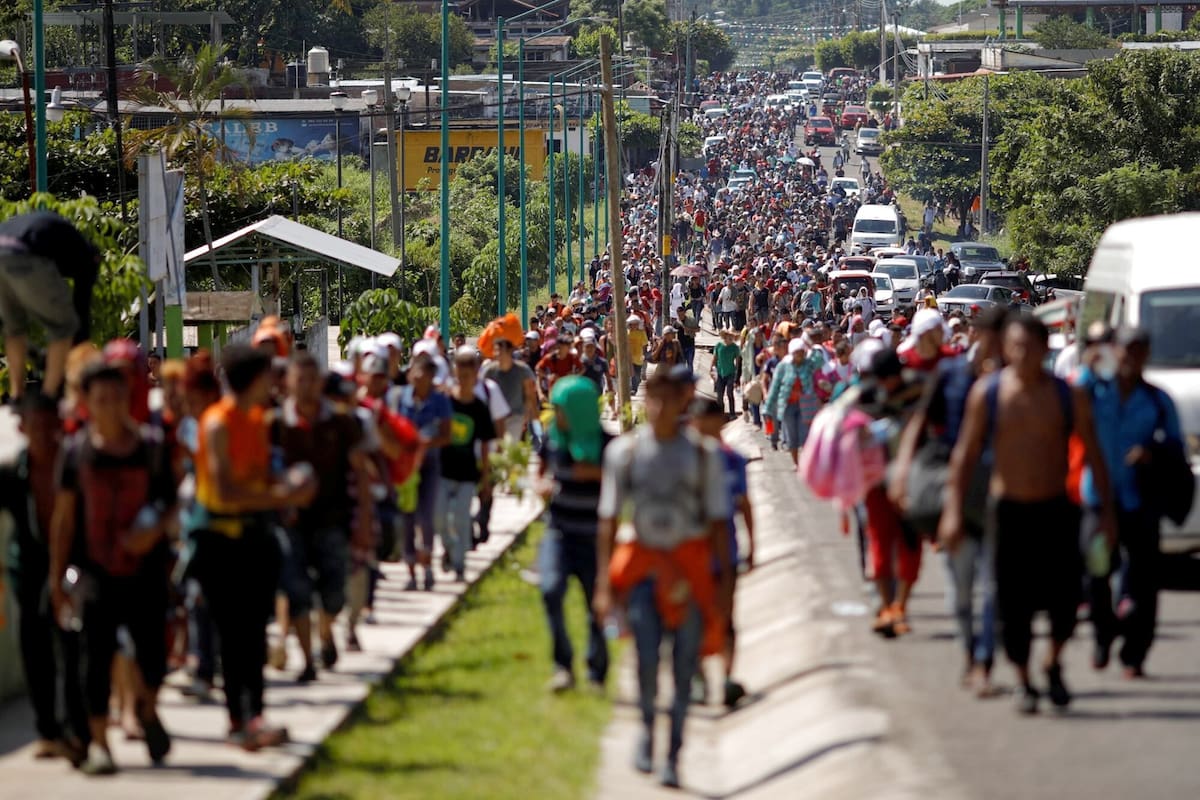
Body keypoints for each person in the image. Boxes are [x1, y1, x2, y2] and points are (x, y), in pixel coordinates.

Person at [940, 315, 1115, 714]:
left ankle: (1052, 661)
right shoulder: (989, 393)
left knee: (1066, 600)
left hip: (1055, 509)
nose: (1020, 353)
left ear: (1043, 349)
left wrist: (1107, 512)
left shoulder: (1068, 396)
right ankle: (1023, 680)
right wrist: (952, 513)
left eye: (1029, 346)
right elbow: (964, 457)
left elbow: (1094, 455)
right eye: (1013, 346)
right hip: (1008, 511)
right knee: (1010, 602)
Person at [595, 368, 731, 789]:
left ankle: (673, 752)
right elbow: (609, 519)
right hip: (643, 570)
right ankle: (647, 732)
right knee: (648, 660)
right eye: (651, 395)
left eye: (667, 397)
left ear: (681, 401)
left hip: (689, 570)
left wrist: (724, 590)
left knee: (684, 665)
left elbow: (718, 524)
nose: (657, 405)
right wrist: (604, 582)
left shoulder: (703, 455)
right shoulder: (624, 453)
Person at [49, 362, 176, 774]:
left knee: (154, 656)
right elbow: (64, 519)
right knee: (96, 658)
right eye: (99, 399)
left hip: (146, 570)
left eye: (116, 397)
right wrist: (56, 578)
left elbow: (172, 505)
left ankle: (146, 705)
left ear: (129, 398)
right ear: (86, 404)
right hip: (95, 572)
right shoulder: (76, 454)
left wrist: (153, 530)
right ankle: (101, 745)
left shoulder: (152, 447)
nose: (109, 406)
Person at [191, 345, 315, 750]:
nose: (274, 385)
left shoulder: (259, 420)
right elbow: (226, 490)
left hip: (256, 539)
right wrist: (283, 498)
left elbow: (260, 480)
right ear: (250, 380)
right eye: (267, 377)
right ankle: (238, 720)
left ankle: (254, 715)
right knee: (233, 634)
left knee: (254, 633)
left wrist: (292, 487)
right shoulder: (217, 424)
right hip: (219, 542)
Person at [890, 306, 1007, 696]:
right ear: (974, 337)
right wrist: (904, 472)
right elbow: (919, 423)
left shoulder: (1021, 384)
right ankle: (971, 654)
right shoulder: (952, 375)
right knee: (960, 588)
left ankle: (985, 662)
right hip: (952, 491)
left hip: (1002, 494)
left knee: (994, 587)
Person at [1078, 326, 1181, 679]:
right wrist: (1088, 367)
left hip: (1140, 502)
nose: (1130, 357)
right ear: (1114, 352)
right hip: (1097, 498)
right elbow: (1070, 399)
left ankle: (1134, 654)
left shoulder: (1157, 400)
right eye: (1125, 350)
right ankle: (1103, 634)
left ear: (1146, 355)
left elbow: (1175, 447)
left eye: (1139, 350)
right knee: (1095, 573)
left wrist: (1151, 451)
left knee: (1143, 582)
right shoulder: (1094, 389)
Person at [271, 353, 374, 683]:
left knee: (333, 594)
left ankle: (327, 633)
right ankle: (307, 659)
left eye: (312, 380)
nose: (306, 387)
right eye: (299, 380)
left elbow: (361, 474)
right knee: (296, 590)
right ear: (288, 383)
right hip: (290, 521)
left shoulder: (343, 423)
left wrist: (366, 523)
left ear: (320, 383)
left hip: (334, 518)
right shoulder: (275, 425)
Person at [1, 394, 88, 763]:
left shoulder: (74, 464)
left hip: (72, 567)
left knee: (72, 649)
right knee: (34, 648)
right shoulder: (10, 473)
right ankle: (49, 730)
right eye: (34, 425)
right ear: (22, 428)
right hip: (29, 569)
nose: (42, 433)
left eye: (49, 425)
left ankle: (75, 730)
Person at [537, 376, 611, 692]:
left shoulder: (608, 446)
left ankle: (597, 670)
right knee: (550, 590)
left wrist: (595, 473)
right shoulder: (554, 440)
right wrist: (540, 486)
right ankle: (562, 664)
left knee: (596, 605)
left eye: (562, 408)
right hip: (559, 532)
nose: (557, 414)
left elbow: (624, 485)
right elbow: (540, 470)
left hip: (594, 535)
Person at [690, 398, 755, 708]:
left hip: (725, 551)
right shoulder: (684, 461)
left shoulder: (733, 460)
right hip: (691, 553)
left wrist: (753, 545)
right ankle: (700, 678)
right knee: (695, 619)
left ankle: (728, 677)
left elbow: (744, 504)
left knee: (726, 619)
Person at [0, 211, 101, 401]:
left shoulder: (59, 239)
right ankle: (48, 396)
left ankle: (16, 395)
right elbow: (81, 308)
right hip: (25, 254)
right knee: (64, 327)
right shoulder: (87, 258)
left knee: (14, 329)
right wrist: (79, 347)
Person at [390, 353, 452, 591]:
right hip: (405, 467)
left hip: (429, 465)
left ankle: (427, 567)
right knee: (406, 517)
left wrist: (425, 443)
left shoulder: (440, 401)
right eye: (414, 373)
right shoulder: (399, 398)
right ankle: (411, 571)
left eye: (423, 374)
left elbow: (446, 436)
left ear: (431, 377)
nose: (417, 378)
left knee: (425, 515)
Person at [440, 348, 497, 582]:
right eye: (460, 376)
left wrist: (485, 478)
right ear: (455, 373)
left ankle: (460, 563)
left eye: (468, 376)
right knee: (441, 518)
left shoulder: (479, 408)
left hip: (466, 473)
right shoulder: (446, 402)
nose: (464, 381)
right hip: (443, 470)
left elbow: (485, 446)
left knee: (462, 516)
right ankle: (449, 546)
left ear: (476, 375)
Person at [763, 337, 824, 466]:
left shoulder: (809, 364)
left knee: (805, 436)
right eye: (797, 352)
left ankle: (806, 463)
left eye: (802, 352)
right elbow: (774, 387)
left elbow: (820, 360)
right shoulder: (783, 367)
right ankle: (797, 463)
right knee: (792, 437)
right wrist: (767, 407)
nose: (800, 356)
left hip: (805, 405)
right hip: (787, 406)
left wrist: (809, 345)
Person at [482, 338, 538, 442]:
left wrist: (528, 416)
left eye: (500, 350)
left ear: (510, 351)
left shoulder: (522, 370)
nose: (497, 353)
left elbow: (529, 394)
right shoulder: (489, 371)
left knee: (509, 445)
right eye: (495, 350)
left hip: (516, 416)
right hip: (495, 417)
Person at [711, 328, 741, 418]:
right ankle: (721, 414)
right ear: (725, 337)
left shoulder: (735, 348)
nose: (731, 339)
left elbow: (738, 362)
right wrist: (711, 369)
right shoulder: (719, 346)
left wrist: (737, 375)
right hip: (720, 373)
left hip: (731, 373)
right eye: (729, 337)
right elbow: (715, 358)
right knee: (719, 395)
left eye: (732, 337)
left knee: (729, 393)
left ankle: (732, 413)